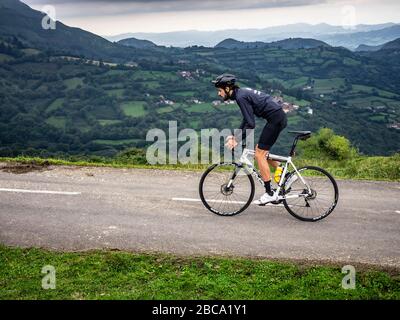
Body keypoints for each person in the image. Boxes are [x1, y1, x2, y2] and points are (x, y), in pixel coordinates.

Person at [212, 73, 287, 205]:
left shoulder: (240, 97)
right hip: (277, 118)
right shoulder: (241, 94)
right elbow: (246, 120)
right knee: (261, 150)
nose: (219, 93)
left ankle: (269, 193)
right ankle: (281, 171)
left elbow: (251, 124)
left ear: (228, 89)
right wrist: (236, 136)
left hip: (276, 119)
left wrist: (237, 140)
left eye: (220, 90)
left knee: (259, 155)